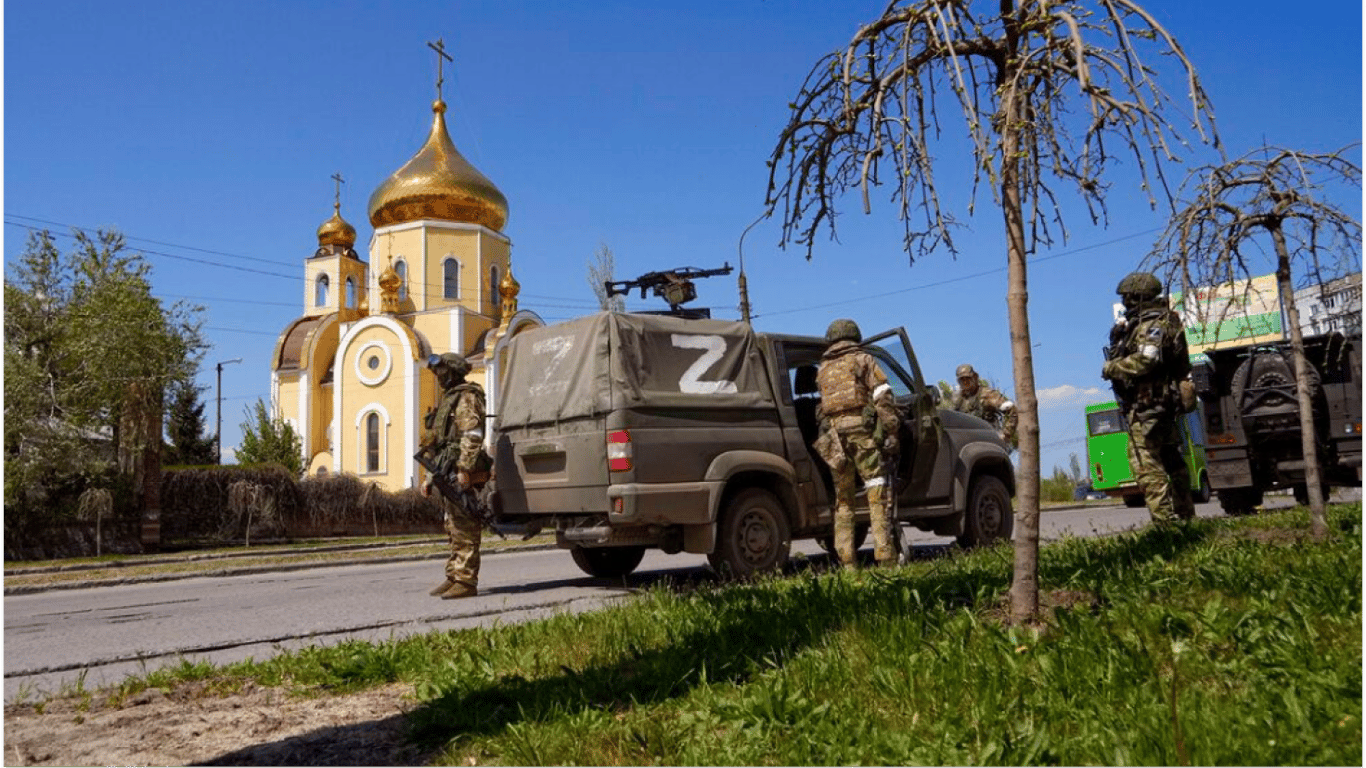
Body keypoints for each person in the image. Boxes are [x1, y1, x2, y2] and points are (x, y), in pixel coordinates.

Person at [1101, 272, 1195, 525]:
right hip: (1162, 404)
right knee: (1172, 461)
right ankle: (1184, 517)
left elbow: (1146, 360)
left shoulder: (1152, 325)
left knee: (1146, 464)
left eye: (1126, 297)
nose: (1124, 302)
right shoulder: (1165, 320)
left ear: (1135, 297)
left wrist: (1111, 368)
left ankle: (1165, 524)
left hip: (1149, 406)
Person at [812, 318, 901, 567]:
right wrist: (892, 430)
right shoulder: (863, 359)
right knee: (876, 493)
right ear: (854, 337)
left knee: (843, 500)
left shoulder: (823, 368)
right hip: (862, 435)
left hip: (834, 438)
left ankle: (847, 562)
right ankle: (885, 557)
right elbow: (883, 397)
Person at [421, 352, 492, 599]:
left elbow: (473, 434)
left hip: (459, 469)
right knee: (451, 525)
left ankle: (466, 581)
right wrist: (428, 478)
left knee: (464, 525)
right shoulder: (449, 399)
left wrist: (465, 468)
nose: (438, 378)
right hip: (445, 467)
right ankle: (454, 575)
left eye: (441, 373)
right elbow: (437, 442)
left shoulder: (467, 396)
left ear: (451, 372)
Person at [948, 363, 1018, 446]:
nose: (965, 382)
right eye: (962, 380)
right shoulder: (958, 400)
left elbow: (1012, 409)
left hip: (988, 443)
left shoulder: (986, 395)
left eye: (968, 378)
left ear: (975, 377)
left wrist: (1006, 435)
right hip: (966, 444)